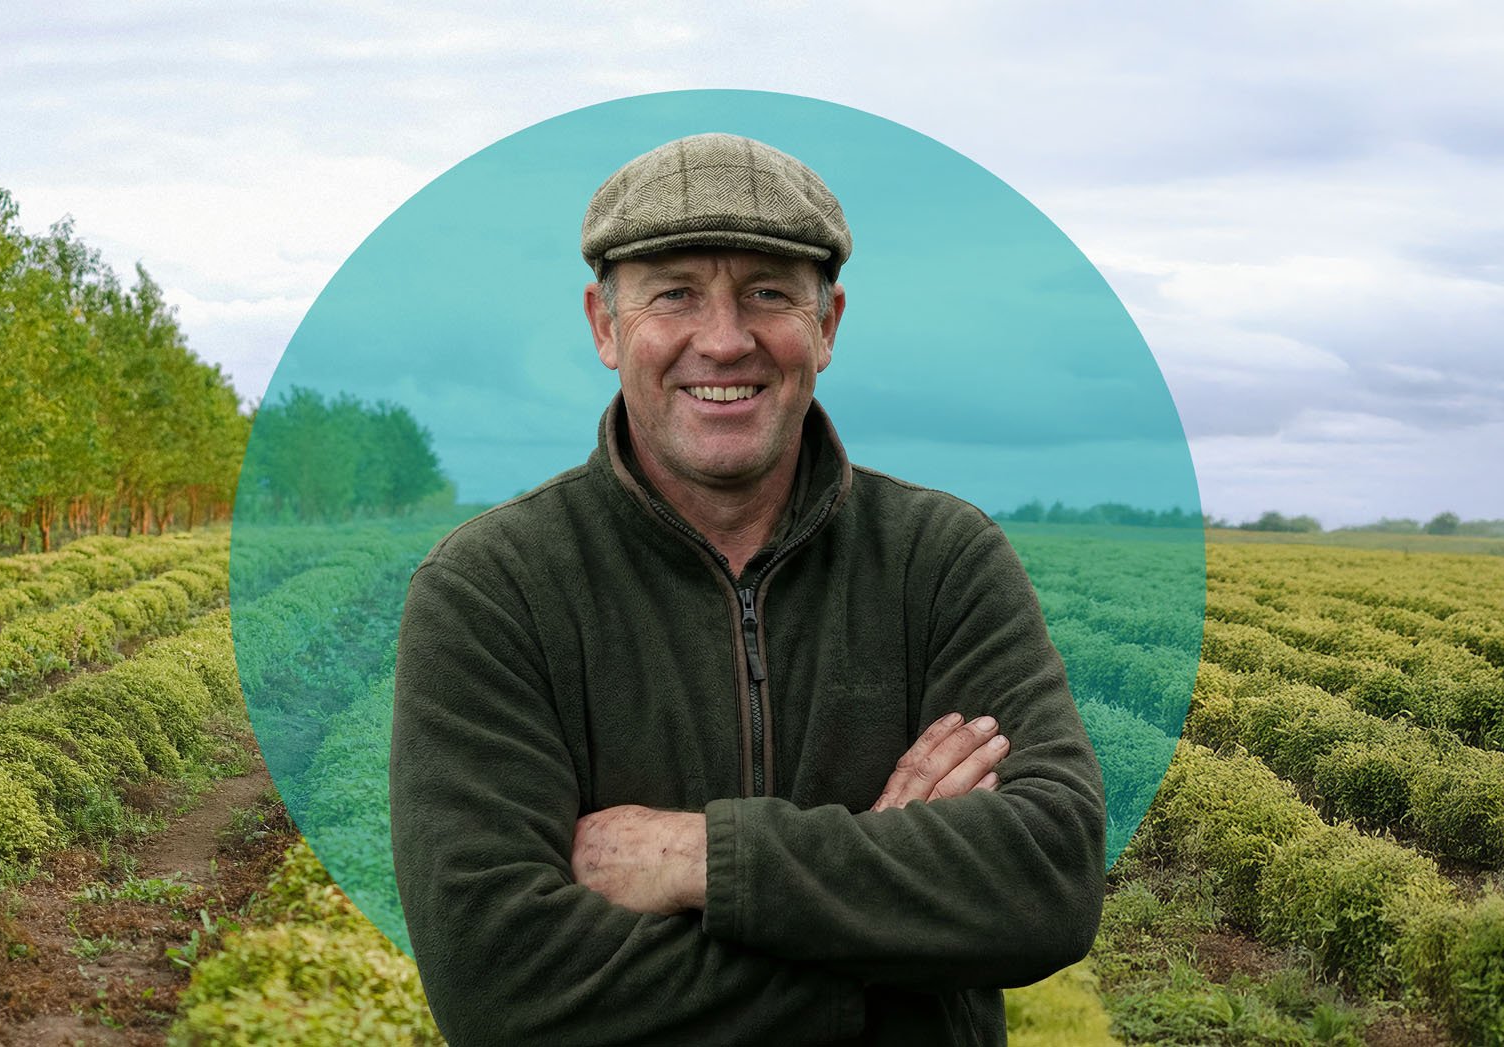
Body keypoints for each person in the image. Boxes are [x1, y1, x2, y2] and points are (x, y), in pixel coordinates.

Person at [390, 132, 1106, 1046]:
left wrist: (705, 859)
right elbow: (500, 984)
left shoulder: (943, 561)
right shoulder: (492, 592)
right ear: (605, 326)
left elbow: (1050, 875)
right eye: (675, 293)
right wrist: (890, 922)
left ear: (829, 325)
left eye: (769, 292)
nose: (723, 340)